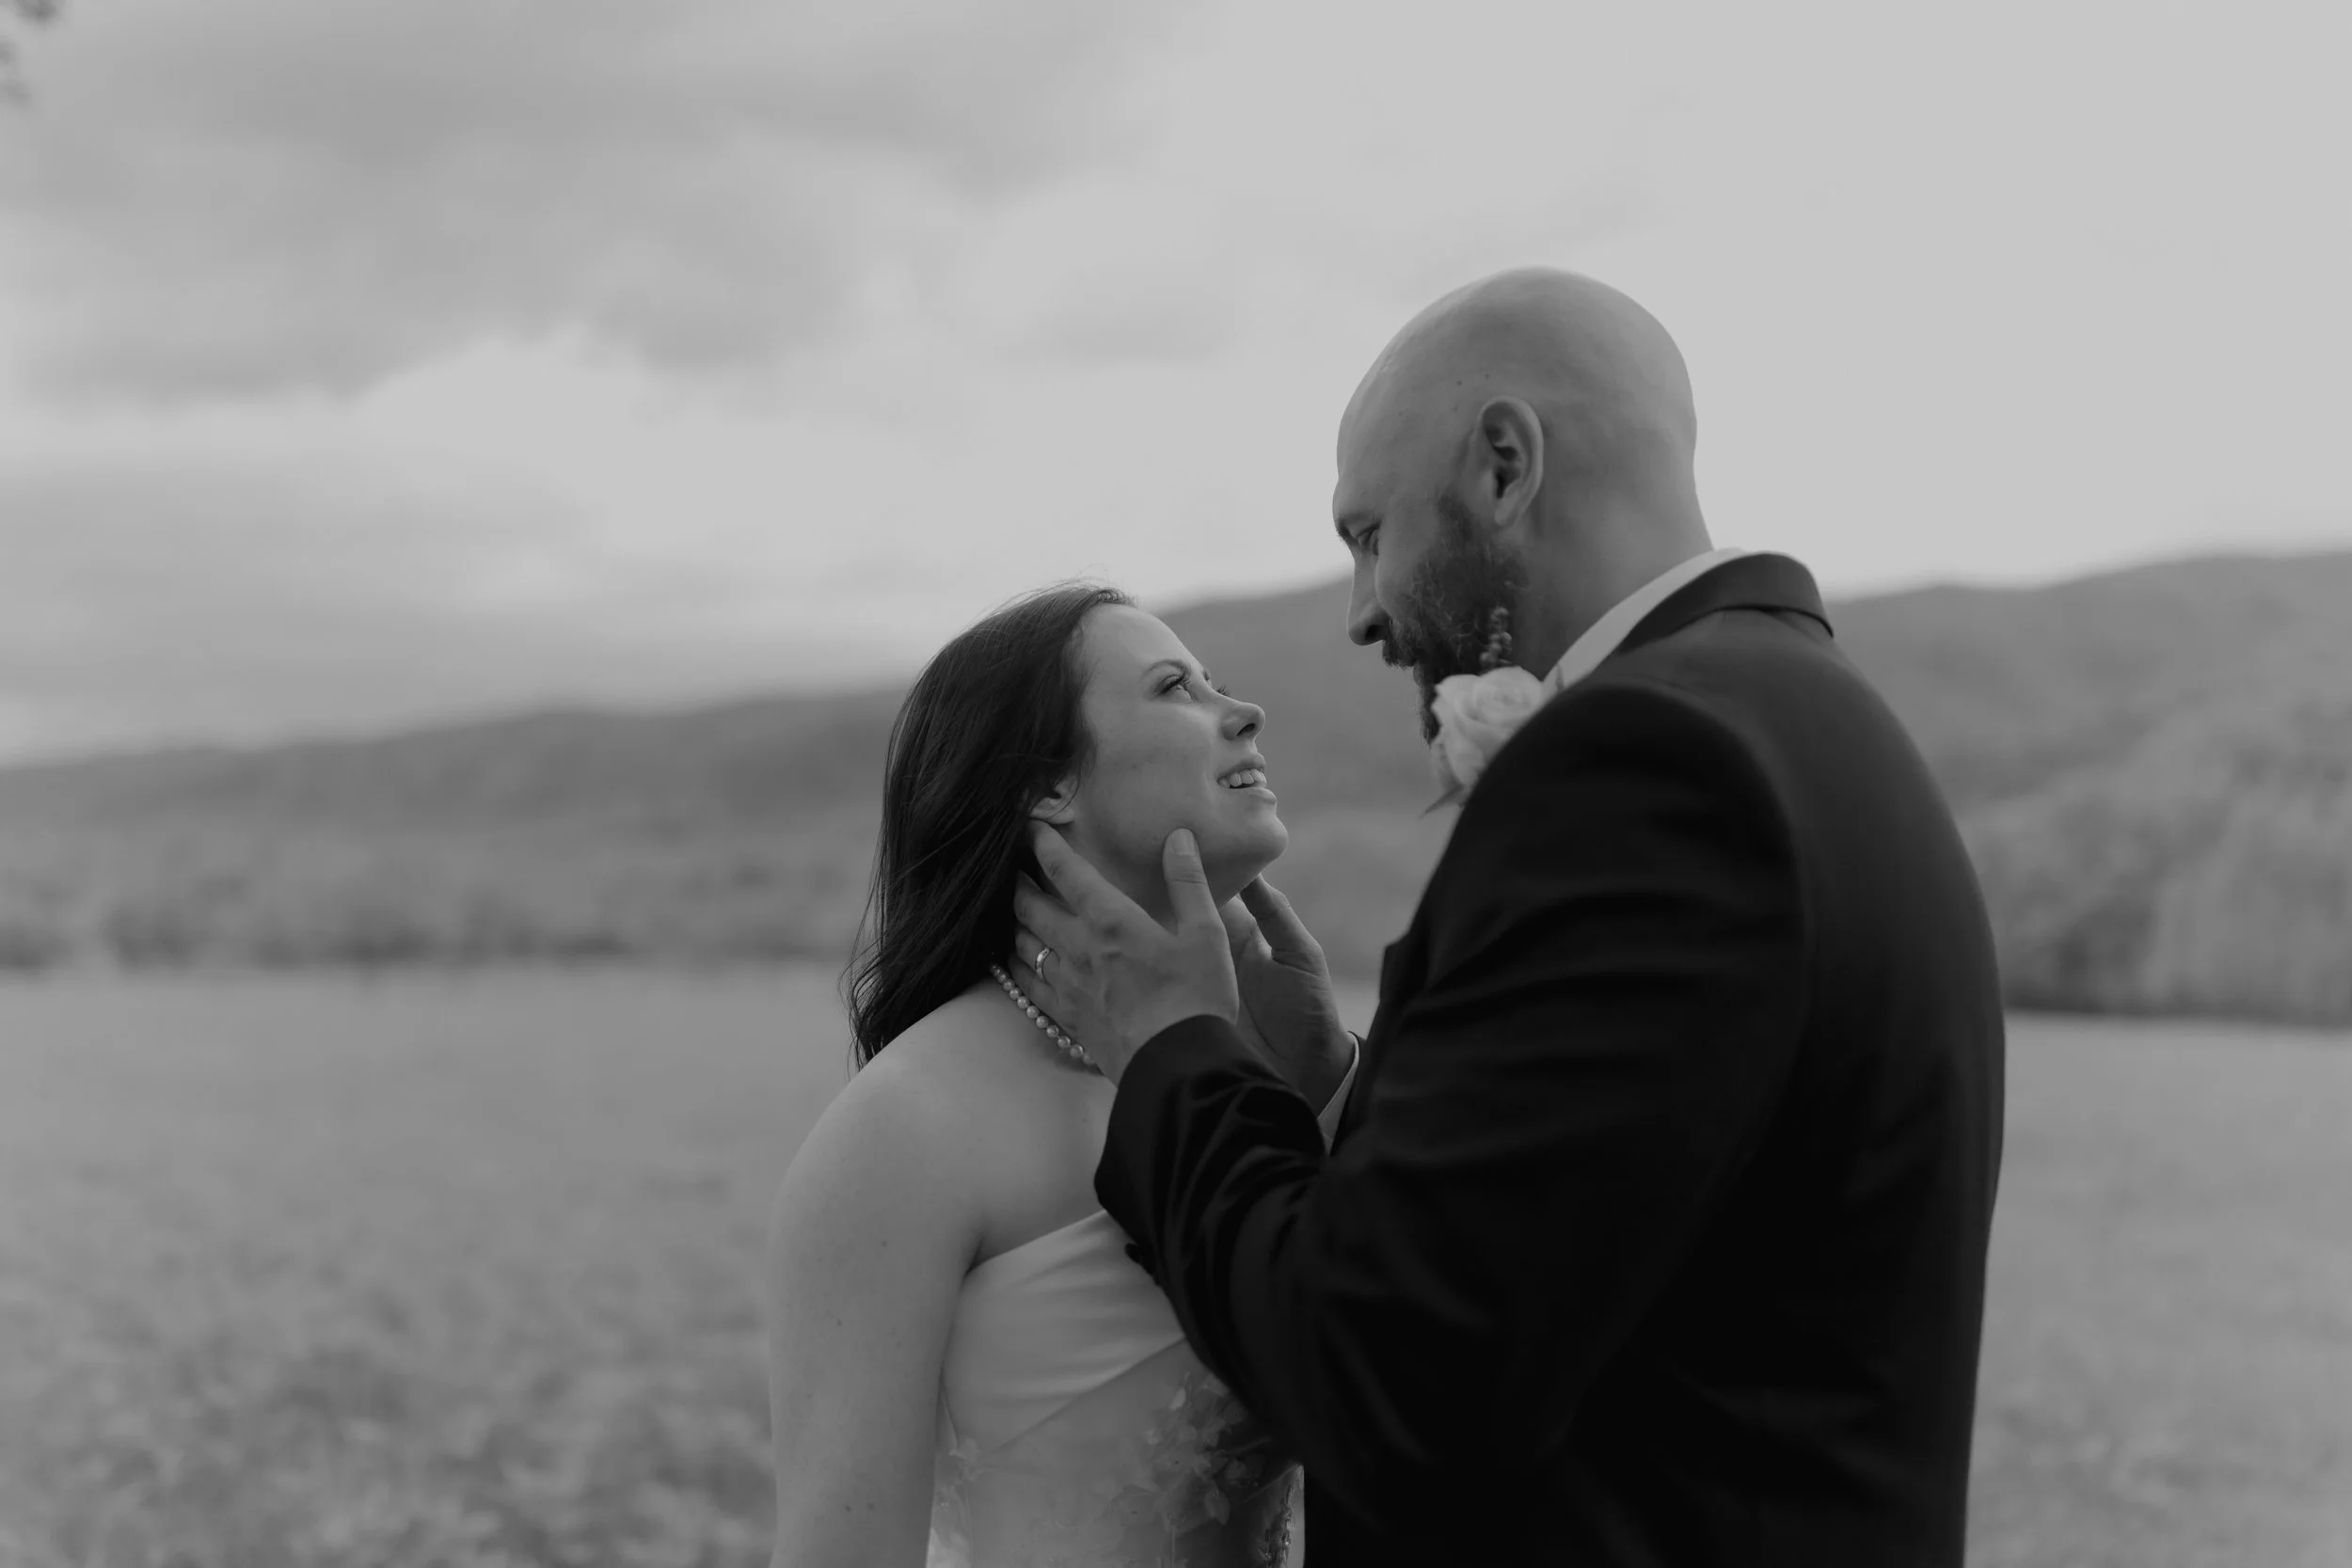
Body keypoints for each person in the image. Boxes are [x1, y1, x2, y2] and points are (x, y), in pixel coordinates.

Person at [1010, 267, 2008, 1565]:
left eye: (1370, 532)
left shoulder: (1650, 765)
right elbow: (1587, 1229)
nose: (1364, 610)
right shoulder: (1813, 720)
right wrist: (1333, 1089)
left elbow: (1391, 1386)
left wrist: (1173, 1050)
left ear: (1501, 464)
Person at [763, 583, 1343, 1568]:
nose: (1244, 711)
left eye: (1217, 684)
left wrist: (1324, 1093)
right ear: (1047, 783)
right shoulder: (909, 1124)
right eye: (1177, 688)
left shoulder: (1264, 1083)